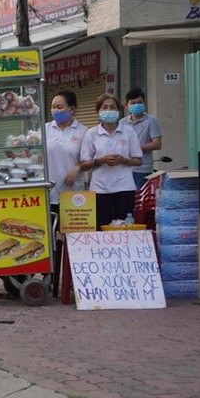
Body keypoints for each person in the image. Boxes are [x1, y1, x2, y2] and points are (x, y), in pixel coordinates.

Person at [79, 93, 143, 229]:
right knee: (102, 228)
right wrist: (100, 161)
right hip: (100, 189)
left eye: (113, 107)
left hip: (124, 187)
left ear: (119, 110)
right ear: (98, 111)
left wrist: (124, 160)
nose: (109, 110)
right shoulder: (91, 133)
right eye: (105, 107)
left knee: (125, 227)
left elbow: (138, 160)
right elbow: (84, 165)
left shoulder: (128, 131)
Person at [45, 90, 88, 286]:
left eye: (59, 106)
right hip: (49, 193)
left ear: (72, 110)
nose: (55, 110)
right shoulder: (45, 129)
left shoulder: (84, 132)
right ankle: (50, 278)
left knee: (74, 239)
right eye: (53, 106)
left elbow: (90, 160)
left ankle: (74, 279)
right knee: (49, 239)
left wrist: (78, 167)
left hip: (73, 196)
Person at [120, 88, 162, 190]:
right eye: (133, 103)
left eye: (139, 102)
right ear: (126, 105)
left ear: (144, 103)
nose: (136, 105)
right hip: (124, 168)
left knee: (140, 197)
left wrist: (135, 148)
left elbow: (157, 144)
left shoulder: (151, 121)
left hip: (143, 169)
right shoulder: (122, 123)